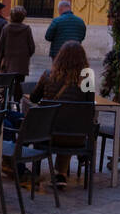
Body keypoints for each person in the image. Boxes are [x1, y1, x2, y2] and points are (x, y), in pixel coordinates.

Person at [27, 40, 94, 190]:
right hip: (76, 138)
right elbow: (90, 107)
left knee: (59, 122)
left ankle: (59, 174)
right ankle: (61, 174)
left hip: (48, 136)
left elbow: (33, 98)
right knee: (70, 124)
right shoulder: (87, 79)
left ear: (59, 57)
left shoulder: (48, 75)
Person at [0, 6, 35, 97]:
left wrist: (1, 57)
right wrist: (26, 56)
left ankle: (8, 102)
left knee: (7, 83)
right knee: (20, 83)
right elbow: (32, 46)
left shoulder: (6, 28)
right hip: (22, 62)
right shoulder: (27, 29)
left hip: (8, 61)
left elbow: (1, 45)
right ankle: (17, 103)